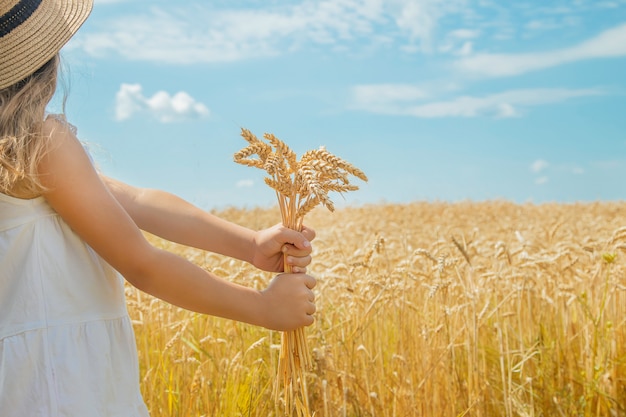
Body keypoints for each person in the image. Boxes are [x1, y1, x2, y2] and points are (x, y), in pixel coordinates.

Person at [0, 0, 317, 415]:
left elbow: (137, 201)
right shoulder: (45, 145)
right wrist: (262, 307)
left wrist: (251, 244)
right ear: (47, 62)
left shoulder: (16, 158)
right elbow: (143, 264)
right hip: (62, 379)